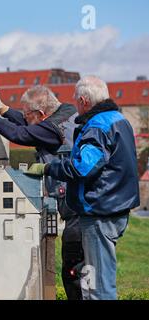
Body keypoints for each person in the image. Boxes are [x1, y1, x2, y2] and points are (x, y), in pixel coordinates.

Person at [26, 76, 140, 299]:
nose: (76, 106)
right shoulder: (119, 119)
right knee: (93, 278)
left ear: (84, 100)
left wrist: (48, 168)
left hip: (99, 212)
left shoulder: (96, 127)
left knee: (99, 287)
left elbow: (83, 167)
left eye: (77, 101)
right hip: (118, 208)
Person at [0, 85, 84, 300]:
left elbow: (20, 133)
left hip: (75, 206)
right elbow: (31, 126)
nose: (24, 117)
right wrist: (4, 110)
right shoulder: (66, 112)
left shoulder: (51, 129)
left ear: (41, 113)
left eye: (26, 114)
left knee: (73, 270)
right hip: (80, 201)